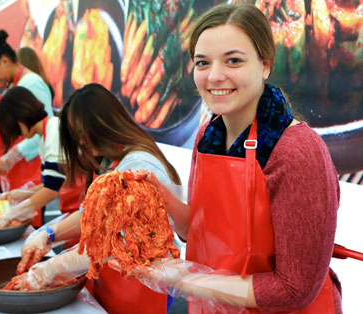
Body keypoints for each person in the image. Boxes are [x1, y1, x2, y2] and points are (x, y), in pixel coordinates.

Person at [113, 4, 342, 313]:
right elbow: (199, 232)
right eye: (202, 62)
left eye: (233, 60)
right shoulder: (207, 136)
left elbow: (294, 289)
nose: (214, 76)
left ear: (265, 65)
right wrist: (158, 193)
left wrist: (183, 279)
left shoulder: (296, 151)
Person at [4, 83, 182, 314]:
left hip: (146, 283)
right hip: (114, 280)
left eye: (81, 135)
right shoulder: (108, 159)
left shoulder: (137, 164)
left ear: (103, 124)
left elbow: (120, 241)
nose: (81, 144)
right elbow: (91, 213)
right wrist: (49, 235)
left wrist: (53, 266)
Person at [0, 29, 53, 226]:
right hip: (17, 169)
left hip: (29, 167)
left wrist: (15, 153)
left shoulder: (32, 83)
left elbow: (44, 127)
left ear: (4, 60)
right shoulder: (17, 83)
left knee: (27, 223)